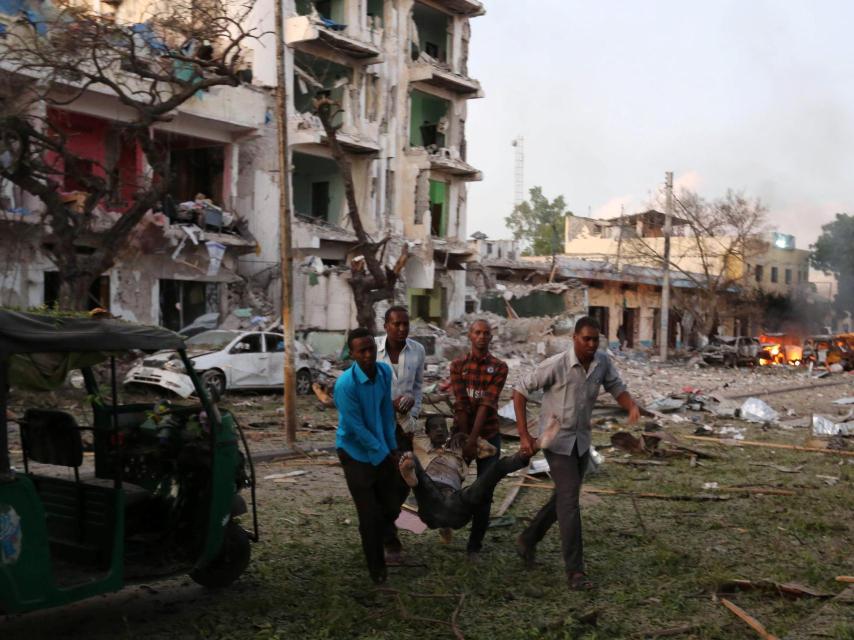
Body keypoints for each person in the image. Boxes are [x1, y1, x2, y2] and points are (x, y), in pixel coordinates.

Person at [513, 316, 640, 590]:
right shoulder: (556, 365)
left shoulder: (602, 362)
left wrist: (630, 406)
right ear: (574, 338)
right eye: (587, 339)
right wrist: (524, 436)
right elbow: (520, 390)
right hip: (555, 442)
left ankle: (528, 539)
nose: (592, 344)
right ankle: (575, 572)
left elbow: (615, 385)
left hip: (581, 442)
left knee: (563, 496)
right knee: (569, 501)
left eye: (596, 339)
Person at [398, 415, 561, 532]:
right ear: (426, 433)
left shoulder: (458, 448)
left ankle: (533, 448)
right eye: (434, 428)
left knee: (493, 472)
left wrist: (470, 440)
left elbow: (491, 450)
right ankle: (412, 478)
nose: (440, 430)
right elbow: (404, 421)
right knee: (411, 460)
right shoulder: (419, 444)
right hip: (429, 504)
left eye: (443, 427)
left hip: (455, 503)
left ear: (449, 432)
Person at [334, 327, 400, 585]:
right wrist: (383, 453)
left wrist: (392, 447)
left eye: (371, 348)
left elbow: (386, 413)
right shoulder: (345, 385)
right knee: (369, 516)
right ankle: (377, 570)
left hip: (381, 448)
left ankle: (386, 536)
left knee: (392, 504)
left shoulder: (384, 372)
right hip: (355, 453)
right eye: (361, 351)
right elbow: (356, 428)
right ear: (352, 354)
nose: (368, 355)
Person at [448, 319, 508, 559]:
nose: (482, 337)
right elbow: (461, 403)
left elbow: (487, 404)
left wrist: (474, 440)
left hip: (489, 434)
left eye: (486, 333)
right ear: (470, 336)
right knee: (449, 484)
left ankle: (475, 546)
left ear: (491, 337)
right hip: (461, 434)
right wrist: (465, 440)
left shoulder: (500, 367)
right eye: (477, 333)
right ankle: (446, 522)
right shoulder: (458, 365)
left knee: (485, 490)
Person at [375, 305, 426, 562]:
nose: (402, 328)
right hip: (377, 426)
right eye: (396, 324)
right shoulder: (372, 350)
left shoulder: (417, 350)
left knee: (404, 480)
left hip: (404, 427)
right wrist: (388, 403)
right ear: (386, 326)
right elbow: (366, 388)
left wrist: (412, 408)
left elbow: (418, 387)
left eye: (405, 324)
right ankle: (389, 538)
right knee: (382, 479)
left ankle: (389, 523)